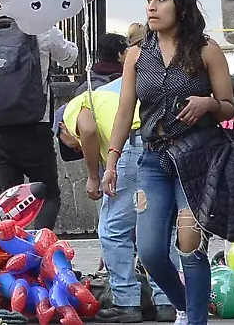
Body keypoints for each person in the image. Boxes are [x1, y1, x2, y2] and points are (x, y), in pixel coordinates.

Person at [103, 0, 234, 325]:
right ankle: (186, 305)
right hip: (152, 159)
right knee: (150, 251)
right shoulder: (137, 54)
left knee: (189, 241)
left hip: (197, 158)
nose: (152, 6)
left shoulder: (206, 50)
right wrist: (111, 161)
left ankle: (196, 319)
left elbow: (231, 105)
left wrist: (209, 104)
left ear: (181, 6)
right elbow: (125, 112)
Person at [57, 78, 173, 323]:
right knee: (157, 227)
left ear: (61, 127)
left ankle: (126, 303)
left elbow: (86, 130)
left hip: (132, 144)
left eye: (70, 145)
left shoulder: (74, 108)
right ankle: (167, 301)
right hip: (158, 140)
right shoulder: (104, 101)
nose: (77, 149)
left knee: (112, 230)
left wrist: (91, 177)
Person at [0, 16, 78, 231]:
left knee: (9, 200)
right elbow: (70, 58)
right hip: (35, 125)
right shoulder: (42, 29)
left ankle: (14, 250)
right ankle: (38, 246)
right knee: (47, 194)